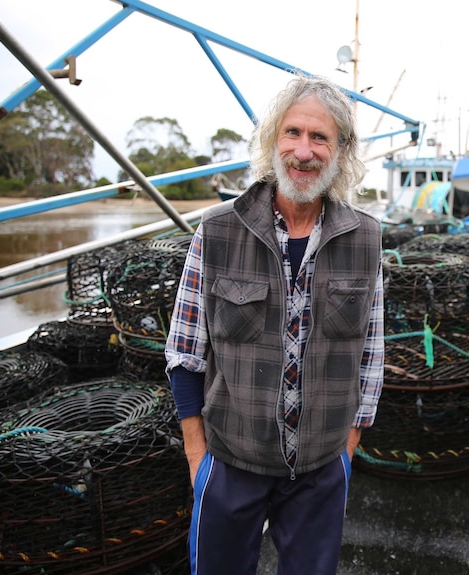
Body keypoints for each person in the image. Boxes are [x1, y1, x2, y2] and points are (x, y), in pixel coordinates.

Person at [164, 74, 384, 575]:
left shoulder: (366, 239)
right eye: (292, 133)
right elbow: (184, 351)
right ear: (273, 140)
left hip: (321, 470)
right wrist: (199, 460)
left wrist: (346, 452)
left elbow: (371, 357)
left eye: (319, 137)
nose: (303, 151)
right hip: (230, 462)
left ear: (341, 150)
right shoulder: (217, 231)